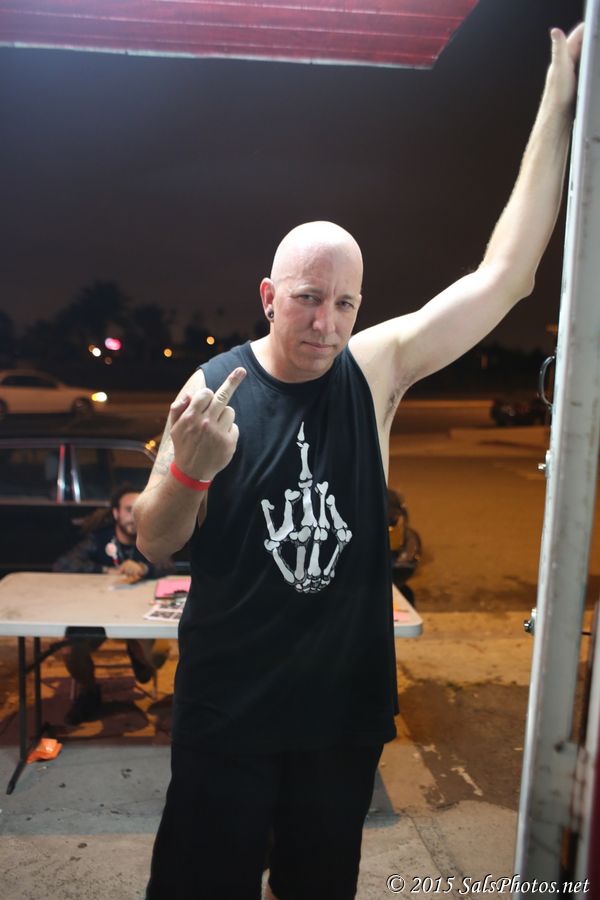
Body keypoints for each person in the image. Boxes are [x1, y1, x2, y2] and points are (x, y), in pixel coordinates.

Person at [134, 25, 583, 900]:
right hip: (228, 716)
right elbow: (155, 541)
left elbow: (507, 276)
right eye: (308, 299)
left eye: (345, 303)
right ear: (269, 296)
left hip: (339, 721)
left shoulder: (373, 371)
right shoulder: (214, 386)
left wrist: (559, 98)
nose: (326, 323)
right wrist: (190, 469)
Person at [53, 484, 171, 726]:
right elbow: (63, 564)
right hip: (98, 617)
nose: (134, 516)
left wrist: (144, 568)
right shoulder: (99, 539)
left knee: (157, 656)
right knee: (70, 650)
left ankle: (139, 658)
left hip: (139, 617)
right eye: (129, 510)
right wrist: (105, 570)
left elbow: (167, 565)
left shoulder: (149, 538)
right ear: (116, 513)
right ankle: (89, 691)